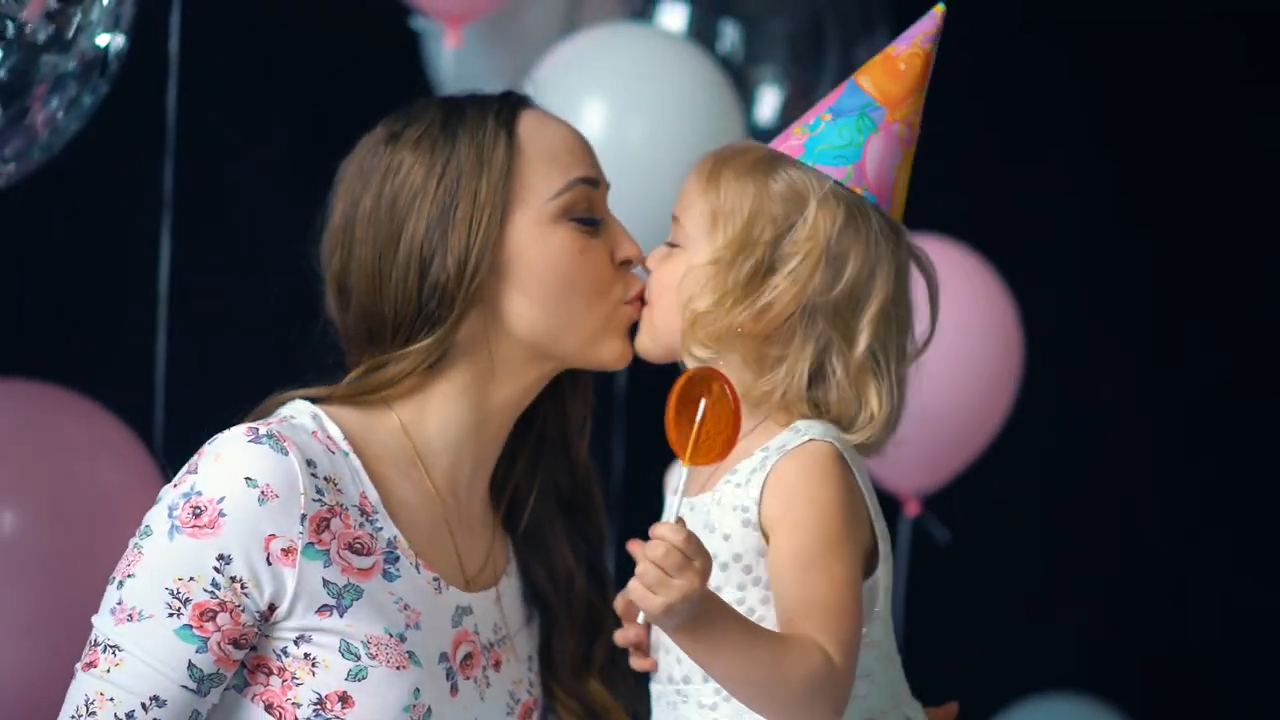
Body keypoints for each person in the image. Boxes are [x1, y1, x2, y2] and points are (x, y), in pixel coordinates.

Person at [59, 92, 642, 720]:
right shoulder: (269, 480)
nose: (633, 247)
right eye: (585, 217)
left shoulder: (527, 542)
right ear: (456, 243)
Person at [611, 7, 961, 719]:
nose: (651, 257)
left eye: (676, 242)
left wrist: (694, 619)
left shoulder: (802, 469)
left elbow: (816, 690)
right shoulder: (691, 467)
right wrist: (663, 618)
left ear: (758, 297)